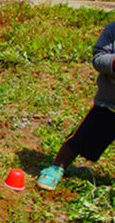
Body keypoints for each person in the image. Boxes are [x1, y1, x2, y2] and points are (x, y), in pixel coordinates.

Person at [37, 22, 115, 191]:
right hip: (110, 105)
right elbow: (98, 59)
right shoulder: (112, 30)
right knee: (82, 137)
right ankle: (58, 167)